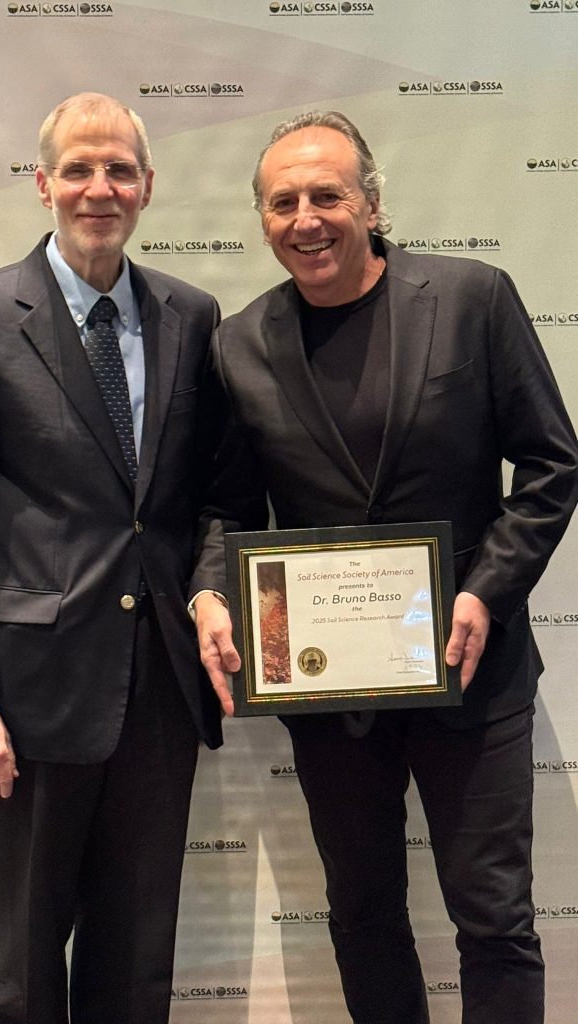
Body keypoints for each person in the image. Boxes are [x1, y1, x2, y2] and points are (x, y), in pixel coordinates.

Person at [190, 111, 578, 1023]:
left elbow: (553, 462)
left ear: (370, 202)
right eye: (282, 201)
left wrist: (487, 588)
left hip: (471, 675)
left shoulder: (474, 298)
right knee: (363, 916)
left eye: (326, 194)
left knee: (493, 920)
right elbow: (226, 509)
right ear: (262, 220)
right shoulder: (239, 343)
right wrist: (211, 591)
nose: (306, 218)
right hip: (331, 693)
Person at [0, 92, 223, 1024]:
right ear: (43, 183)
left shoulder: (192, 316)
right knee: (30, 966)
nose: (100, 188)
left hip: (160, 688)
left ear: (148, 187)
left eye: (120, 169)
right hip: (31, 696)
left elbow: (205, 498)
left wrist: (208, 595)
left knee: (138, 964)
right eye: (79, 169)